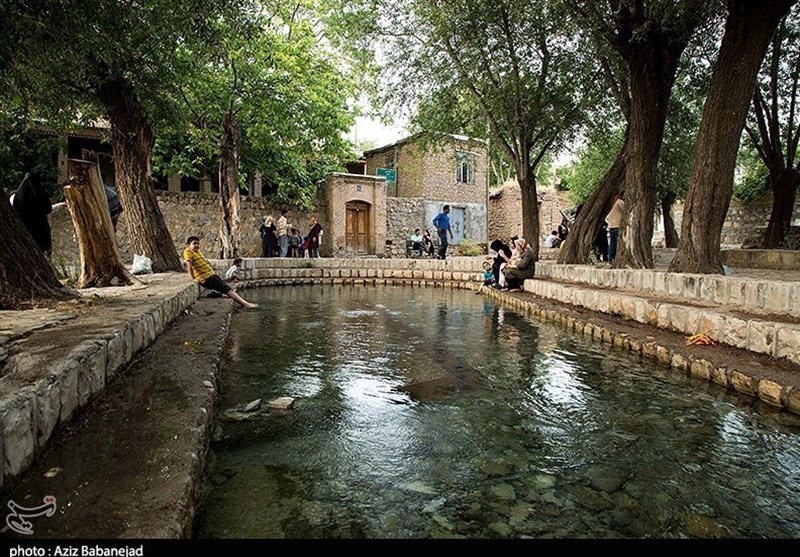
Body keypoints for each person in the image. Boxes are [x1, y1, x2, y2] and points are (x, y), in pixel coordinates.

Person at [183, 236, 257, 308]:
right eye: (194, 243)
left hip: (211, 276)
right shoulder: (187, 252)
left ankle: (243, 302)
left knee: (225, 288)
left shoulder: (197, 252)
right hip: (207, 279)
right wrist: (193, 279)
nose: (196, 245)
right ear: (188, 245)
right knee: (228, 290)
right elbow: (189, 266)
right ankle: (246, 304)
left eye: (198, 244)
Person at [12, 171, 53, 255]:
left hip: (24, 231)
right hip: (41, 231)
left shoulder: (15, 197)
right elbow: (48, 209)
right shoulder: (42, 197)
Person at [607, 192, 625, 263]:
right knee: (618, 242)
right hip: (618, 225)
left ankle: (611, 258)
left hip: (611, 226)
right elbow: (626, 210)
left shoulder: (612, 204)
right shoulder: (619, 202)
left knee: (612, 243)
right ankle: (617, 257)